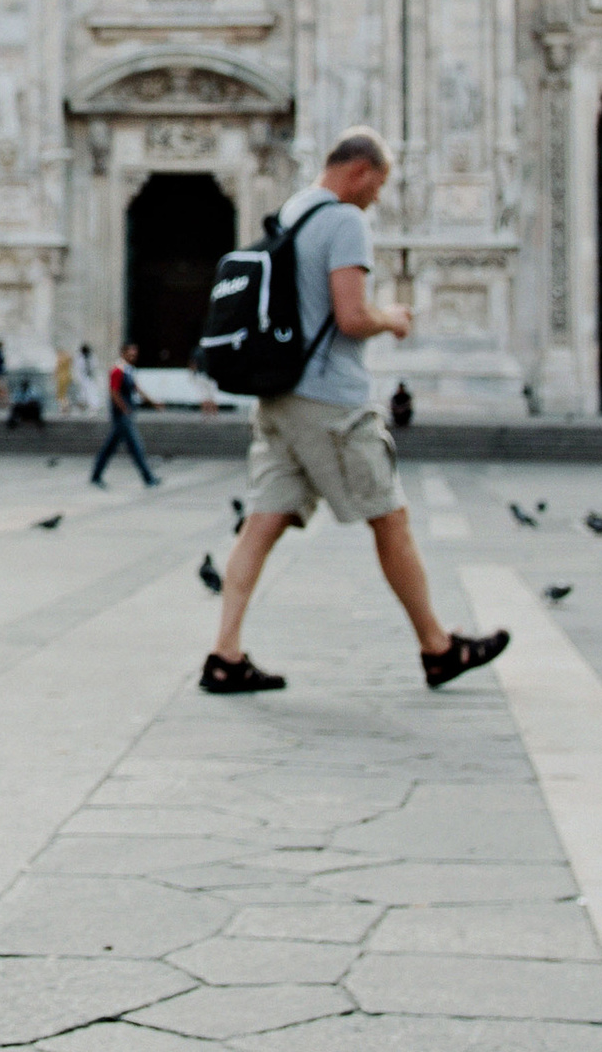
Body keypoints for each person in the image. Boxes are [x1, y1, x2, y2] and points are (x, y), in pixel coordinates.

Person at [201, 131, 506, 697]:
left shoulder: (293, 210)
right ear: (361, 172)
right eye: (381, 183)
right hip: (331, 400)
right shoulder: (344, 222)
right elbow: (349, 315)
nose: (378, 197)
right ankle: (438, 647)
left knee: (262, 522)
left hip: (279, 395)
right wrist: (390, 317)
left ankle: (225, 653)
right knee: (389, 517)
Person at [89, 342, 159, 488]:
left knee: (110, 447)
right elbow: (113, 392)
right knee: (135, 446)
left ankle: (96, 475)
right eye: (131, 353)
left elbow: (137, 388)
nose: (133, 355)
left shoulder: (128, 370)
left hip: (126, 415)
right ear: (123, 353)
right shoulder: (117, 370)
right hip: (122, 416)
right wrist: (124, 408)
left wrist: (153, 402)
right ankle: (148, 478)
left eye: (135, 353)